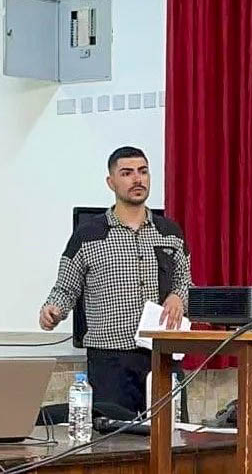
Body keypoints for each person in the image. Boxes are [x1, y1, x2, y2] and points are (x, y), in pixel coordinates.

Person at [39, 146, 192, 415]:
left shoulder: (170, 232)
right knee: (115, 436)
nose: (137, 179)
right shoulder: (88, 234)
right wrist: (52, 309)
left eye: (143, 171)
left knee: (171, 432)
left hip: (163, 355)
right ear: (111, 182)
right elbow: (65, 288)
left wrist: (178, 296)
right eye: (127, 173)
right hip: (110, 361)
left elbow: (185, 282)